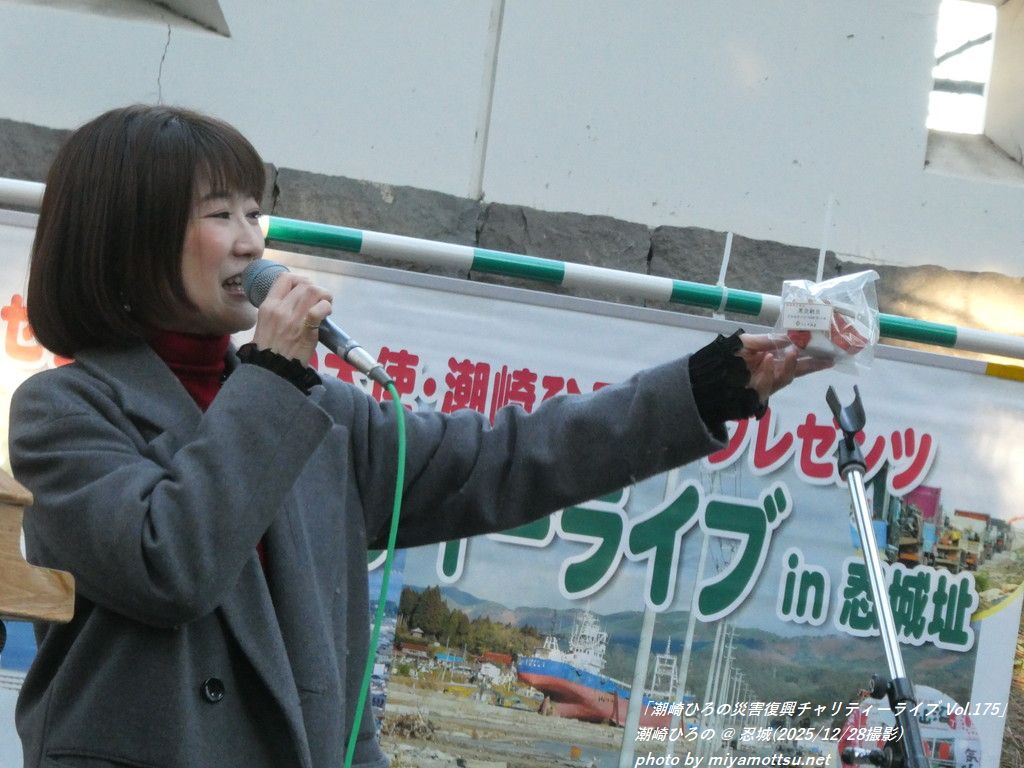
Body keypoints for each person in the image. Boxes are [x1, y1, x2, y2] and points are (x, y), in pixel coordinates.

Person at [9, 104, 824, 768]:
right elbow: (171, 564)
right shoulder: (66, 411)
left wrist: (703, 390)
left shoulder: (319, 413)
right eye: (220, 214)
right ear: (132, 238)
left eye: (255, 211)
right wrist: (273, 374)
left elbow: (506, 458)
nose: (253, 240)